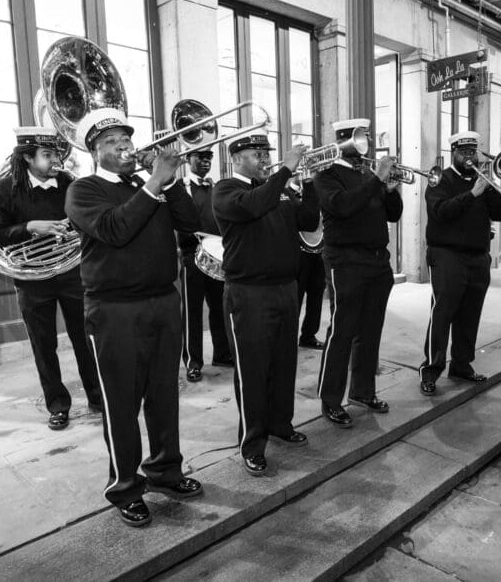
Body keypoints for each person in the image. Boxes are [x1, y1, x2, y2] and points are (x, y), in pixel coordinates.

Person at [65, 110, 202, 528]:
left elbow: (191, 223)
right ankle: (125, 487)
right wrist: (155, 182)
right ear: (93, 151)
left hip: (162, 301)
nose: (123, 145)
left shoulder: (149, 185)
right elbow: (116, 229)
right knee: (121, 404)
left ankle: (165, 471)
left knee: (164, 396)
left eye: (126, 137)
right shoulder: (83, 190)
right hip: (113, 311)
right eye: (111, 141)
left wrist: (171, 180)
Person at [212, 131, 320, 477]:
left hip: (285, 288)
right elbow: (255, 205)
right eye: (256, 153)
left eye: (265, 152)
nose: (263, 157)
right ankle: (253, 443)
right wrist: (285, 171)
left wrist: (312, 183)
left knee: (283, 363)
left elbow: (307, 222)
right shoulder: (227, 190)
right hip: (248, 293)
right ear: (236, 158)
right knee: (253, 370)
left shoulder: (281, 187)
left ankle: (280, 424)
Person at [0, 126, 102, 431]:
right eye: (47, 154)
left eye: (57, 153)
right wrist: (30, 227)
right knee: (43, 345)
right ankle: (58, 405)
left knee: (86, 338)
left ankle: (97, 396)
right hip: (31, 278)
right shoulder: (6, 189)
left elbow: (87, 221)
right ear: (28, 157)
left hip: (72, 273)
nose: (55, 160)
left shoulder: (68, 182)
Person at [314, 118, 402, 428]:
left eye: (365, 137)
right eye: (359, 138)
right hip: (346, 262)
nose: (364, 144)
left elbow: (394, 215)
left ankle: (363, 391)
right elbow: (343, 207)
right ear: (344, 141)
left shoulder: (368, 175)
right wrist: (377, 180)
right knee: (342, 331)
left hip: (378, 262)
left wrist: (390, 190)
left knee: (371, 330)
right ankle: (330, 399)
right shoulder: (325, 175)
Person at [418, 131, 501, 396]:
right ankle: (431, 369)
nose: (469, 157)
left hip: (478, 257)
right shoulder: (440, 180)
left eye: (473, 152)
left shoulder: (482, 181)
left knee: (470, 314)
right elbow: (440, 212)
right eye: (464, 152)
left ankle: (461, 364)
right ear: (454, 153)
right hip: (447, 255)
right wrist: (472, 194)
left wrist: (489, 189)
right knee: (443, 313)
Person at [180, 147, 232, 382]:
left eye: (208, 157)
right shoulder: (181, 188)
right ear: (188, 159)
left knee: (220, 308)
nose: (204, 161)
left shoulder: (215, 187)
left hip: (217, 256)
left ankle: (222, 353)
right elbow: (179, 222)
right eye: (199, 157)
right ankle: (193, 362)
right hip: (193, 256)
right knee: (192, 313)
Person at [292, 175, 327, 349]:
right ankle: (289, 338)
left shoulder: (318, 192)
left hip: (319, 250)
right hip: (299, 254)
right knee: (295, 297)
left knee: (316, 296)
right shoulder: (289, 194)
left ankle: (308, 335)